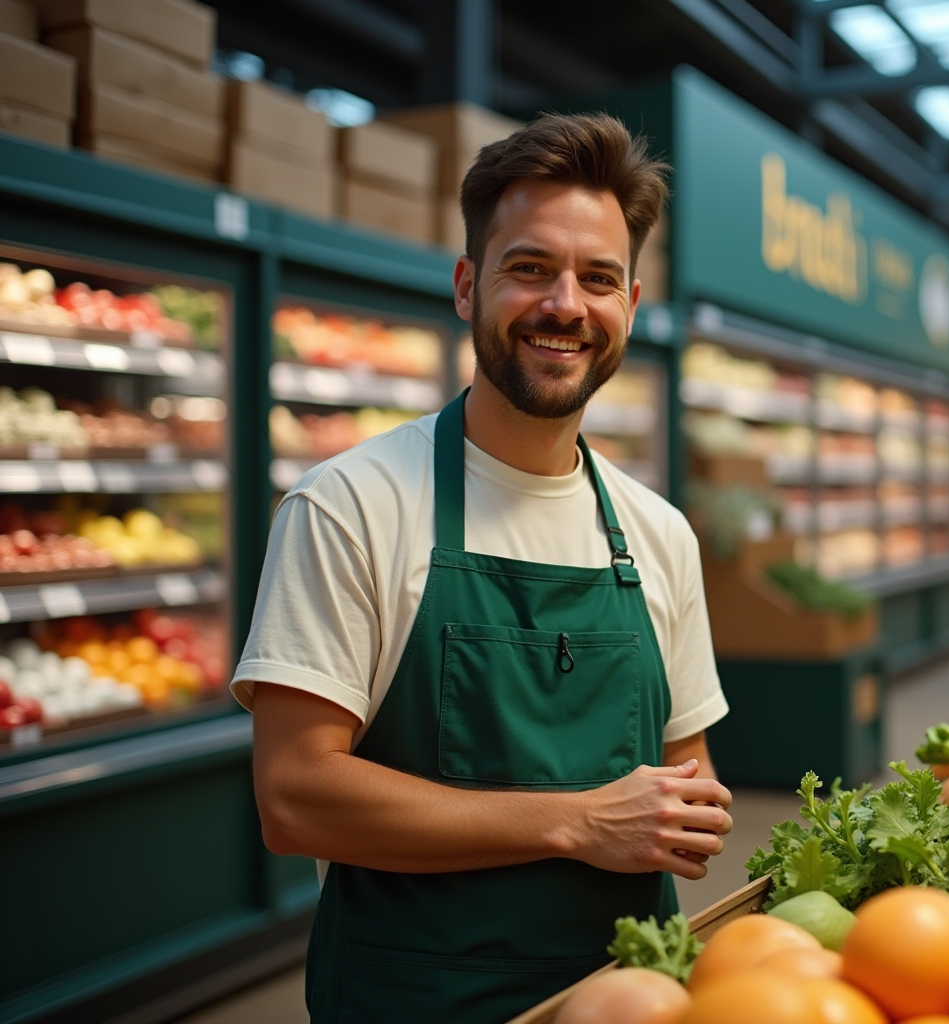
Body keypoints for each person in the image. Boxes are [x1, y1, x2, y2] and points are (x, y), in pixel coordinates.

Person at [236, 114, 732, 1024]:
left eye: (599, 278)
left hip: (626, 997)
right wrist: (578, 821)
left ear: (629, 306)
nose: (565, 306)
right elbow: (296, 797)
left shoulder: (660, 534)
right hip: (414, 1001)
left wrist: (687, 814)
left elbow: (683, 776)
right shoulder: (350, 505)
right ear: (468, 287)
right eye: (530, 268)